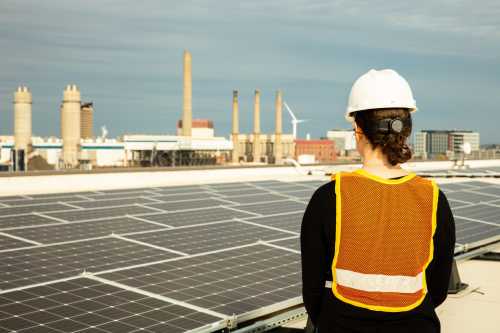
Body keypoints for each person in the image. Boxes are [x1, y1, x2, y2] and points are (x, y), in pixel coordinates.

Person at [300, 69, 456, 333]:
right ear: (406, 131)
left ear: (358, 131)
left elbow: (312, 293)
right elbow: (439, 289)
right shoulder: (433, 198)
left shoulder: (329, 197)